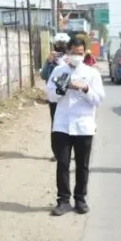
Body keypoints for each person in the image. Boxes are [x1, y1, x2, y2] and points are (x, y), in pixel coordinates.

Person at [46, 37, 105, 216]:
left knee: (82, 164)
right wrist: (61, 89)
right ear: (68, 52)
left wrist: (85, 88)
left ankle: (80, 199)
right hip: (62, 125)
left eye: (80, 53)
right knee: (62, 163)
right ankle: (63, 200)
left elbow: (99, 99)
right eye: (73, 53)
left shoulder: (92, 73)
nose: (76, 56)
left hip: (83, 125)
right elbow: (49, 95)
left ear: (85, 52)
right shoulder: (58, 70)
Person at [41, 32, 70, 161]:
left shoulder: (71, 58)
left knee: (69, 123)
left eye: (63, 45)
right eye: (58, 44)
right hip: (54, 96)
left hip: (68, 96)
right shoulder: (51, 59)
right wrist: (48, 62)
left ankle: (70, 151)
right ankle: (57, 153)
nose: (60, 47)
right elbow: (43, 76)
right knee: (55, 124)